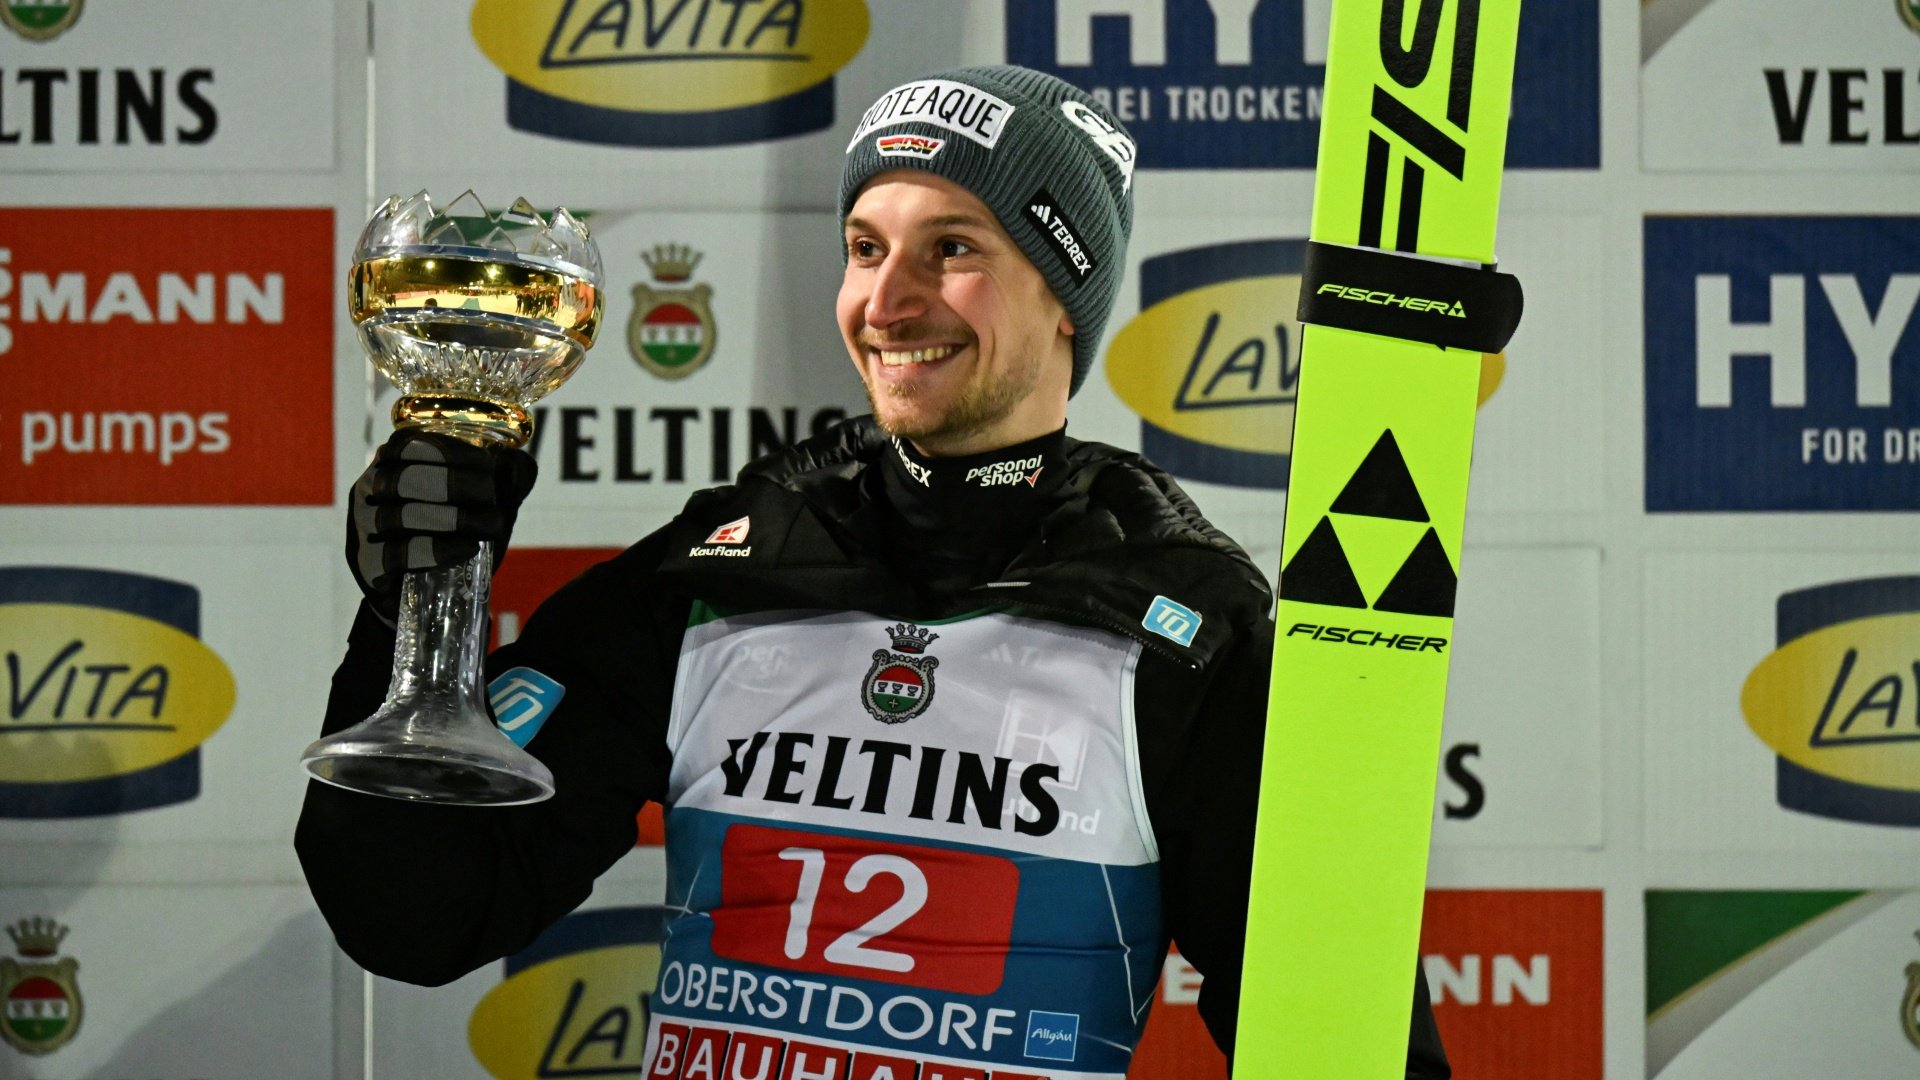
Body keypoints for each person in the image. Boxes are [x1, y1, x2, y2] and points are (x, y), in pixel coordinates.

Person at [298, 64, 1449, 1079]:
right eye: (865, 248)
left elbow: (1351, 1051)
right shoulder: (726, 567)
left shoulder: (1178, 625)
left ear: (1066, 294)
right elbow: (415, 919)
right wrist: (408, 611)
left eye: (953, 248)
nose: (887, 303)